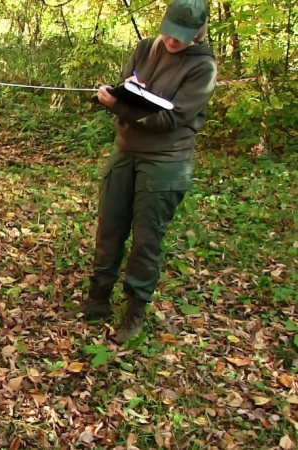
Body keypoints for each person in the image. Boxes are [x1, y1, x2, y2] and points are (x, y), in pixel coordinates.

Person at [64, 0, 217, 343]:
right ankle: (98, 298)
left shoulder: (202, 68)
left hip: (165, 161)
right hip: (126, 151)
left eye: (182, 37)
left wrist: (119, 105)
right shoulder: (147, 47)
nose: (172, 41)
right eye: (169, 33)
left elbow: (170, 120)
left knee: (146, 238)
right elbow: (127, 86)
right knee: (109, 225)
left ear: (199, 32)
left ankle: (135, 309)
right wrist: (119, 93)